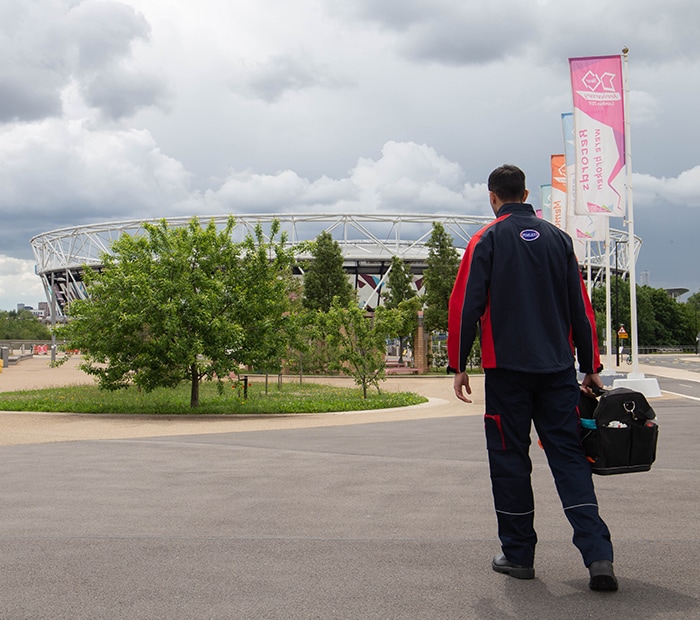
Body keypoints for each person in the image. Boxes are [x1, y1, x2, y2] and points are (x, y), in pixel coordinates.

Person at [447, 164, 617, 592]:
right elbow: (581, 307)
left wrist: (458, 362)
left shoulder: (485, 239)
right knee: (569, 459)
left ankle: (519, 556)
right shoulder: (559, 240)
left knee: (509, 461)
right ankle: (598, 556)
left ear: (493, 197)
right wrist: (590, 366)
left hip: (506, 374)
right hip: (557, 372)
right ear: (526, 195)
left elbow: (466, 302)